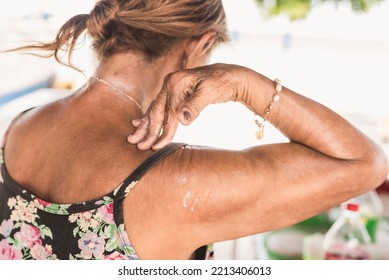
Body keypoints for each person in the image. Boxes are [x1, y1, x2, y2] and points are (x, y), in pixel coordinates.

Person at [0, 0, 387, 260]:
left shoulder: (20, 125)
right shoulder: (177, 182)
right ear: (197, 48)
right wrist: (244, 84)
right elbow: (364, 163)